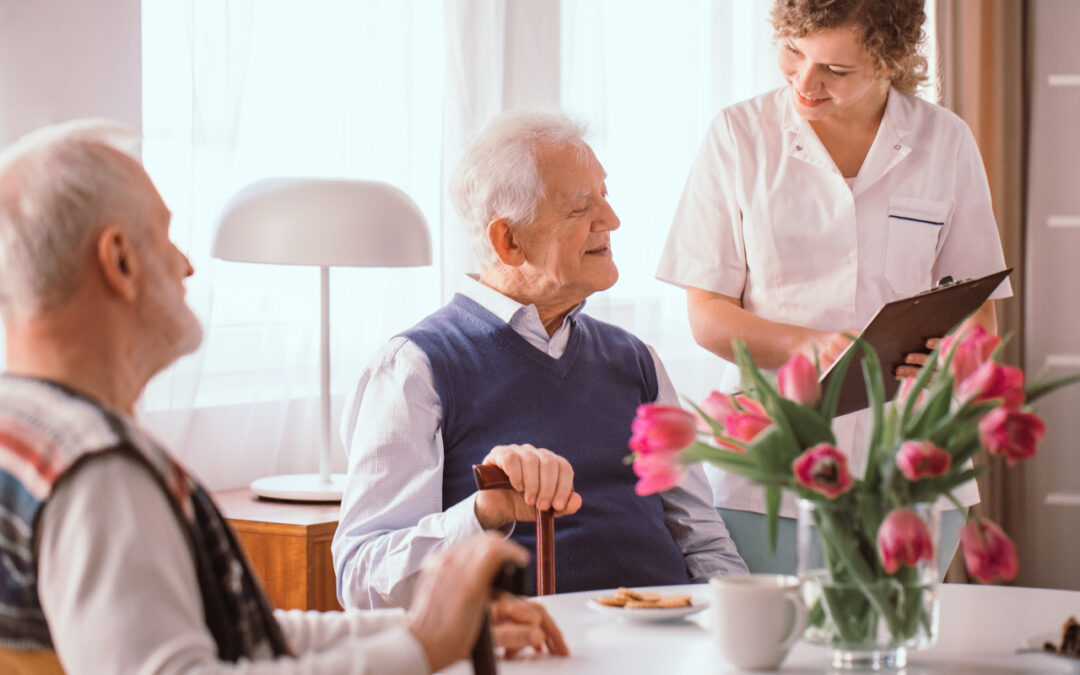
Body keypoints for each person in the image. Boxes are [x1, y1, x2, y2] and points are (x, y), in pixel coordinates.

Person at [0, 120, 567, 674]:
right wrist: (420, 649)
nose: (186, 264)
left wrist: (438, 626)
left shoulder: (28, 434)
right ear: (120, 260)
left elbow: (235, 633)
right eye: (165, 234)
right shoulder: (100, 473)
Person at [333, 110, 747, 610]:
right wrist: (483, 514)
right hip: (536, 655)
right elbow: (362, 578)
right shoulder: (413, 370)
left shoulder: (636, 360)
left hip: (670, 644)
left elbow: (702, 537)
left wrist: (737, 627)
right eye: (581, 207)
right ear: (508, 241)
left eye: (605, 196)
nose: (611, 220)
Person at [656, 0, 1009, 574]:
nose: (806, 83)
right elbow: (708, 314)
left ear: (890, 60)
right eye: (794, 53)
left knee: (903, 658)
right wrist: (808, 347)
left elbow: (977, 318)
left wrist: (945, 359)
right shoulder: (739, 136)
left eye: (836, 71)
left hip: (912, 469)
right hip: (770, 475)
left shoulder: (946, 142)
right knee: (781, 660)